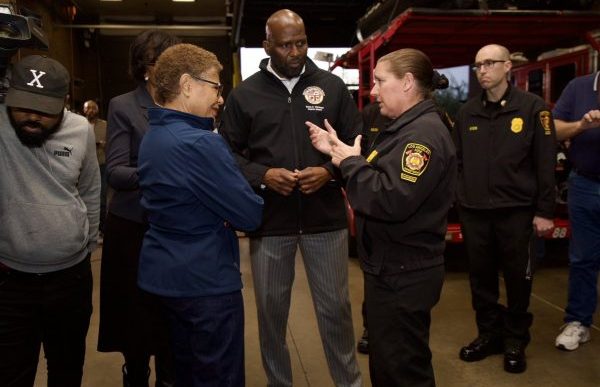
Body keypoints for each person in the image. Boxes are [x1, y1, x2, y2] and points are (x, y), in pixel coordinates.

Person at [219, 9, 362, 387]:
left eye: (301, 42)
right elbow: (226, 153)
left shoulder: (331, 88)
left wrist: (330, 172)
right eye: (285, 45)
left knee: (336, 312)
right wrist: (262, 175)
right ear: (267, 46)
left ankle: (348, 383)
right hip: (270, 223)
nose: (296, 52)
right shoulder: (245, 95)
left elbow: (358, 145)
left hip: (325, 222)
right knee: (271, 315)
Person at [307, 48, 454, 387]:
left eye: (379, 82)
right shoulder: (403, 128)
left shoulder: (422, 136)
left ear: (406, 83)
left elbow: (390, 198)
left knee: (403, 370)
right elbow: (377, 178)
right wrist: (340, 154)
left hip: (405, 272)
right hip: (393, 267)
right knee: (389, 365)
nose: (372, 91)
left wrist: (349, 163)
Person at [137, 43, 264, 387]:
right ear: (187, 84)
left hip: (162, 278)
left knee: (176, 374)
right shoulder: (201, 142)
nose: (220, 98)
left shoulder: (154, 135)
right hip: (205, 284)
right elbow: (249, 214)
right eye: (215, 87)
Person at [453, 44, 556, 373]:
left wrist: (544, 210)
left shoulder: (533, 109)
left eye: (489, 63)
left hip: (517, 212)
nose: (482, 70)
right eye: (477, 65)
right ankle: (488, 334)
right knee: (480, 278)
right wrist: (459, 196)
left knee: (517, 279)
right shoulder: (467, 112)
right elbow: (457, 162)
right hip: (474, 211)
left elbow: (544, 162)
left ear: (507, 66)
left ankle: (515, 338)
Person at [0, 55, 100, 386]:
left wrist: (87, 245)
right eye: (23, 105)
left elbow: (90, 191)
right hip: (9, 282)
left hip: (70, 279)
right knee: (12, 374)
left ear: (64, 104)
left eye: (43, 109)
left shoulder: (81, 130)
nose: (31, 116)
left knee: (67, 371)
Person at [97, 29, 180, 387]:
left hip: (176, 229)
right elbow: (115, 171)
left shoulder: (186, 104)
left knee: (172, 322)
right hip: (134, 230)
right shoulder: (123, 106)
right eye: (157, 60)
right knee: (135, 322)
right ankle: (135, 374)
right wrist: (163, 173)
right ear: (143, 68)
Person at [552, 71, 600, 351]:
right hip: (584, 183)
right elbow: (554, 129)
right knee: (582, 257)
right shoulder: (579, 87)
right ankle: (578, 322)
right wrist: (581, 125)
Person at [83, 99, 108, 239]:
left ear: (97, 110)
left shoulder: (105, 125)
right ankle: (90, 230)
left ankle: (103, 230)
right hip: (85, 167)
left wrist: (106, 144)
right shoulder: (79, 125)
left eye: (93, 108)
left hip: (102, 165)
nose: (91, 110)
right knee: (86, 198)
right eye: (88, 108)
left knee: (102, 199)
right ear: (84, 110)